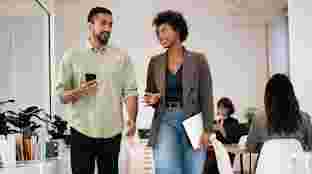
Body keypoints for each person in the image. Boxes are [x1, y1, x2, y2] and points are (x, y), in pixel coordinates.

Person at [55, 7, 138, 174]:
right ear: (90, 25)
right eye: (103, 23)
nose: (108, 28)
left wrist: (132, 119)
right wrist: (79, 91)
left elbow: (130, 91)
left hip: (112, 132)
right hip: (81, 130)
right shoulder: (72, 56)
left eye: (110, 24)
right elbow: (61, 96)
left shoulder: (121, 57)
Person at [144, 10, 214, 174]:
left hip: (194, 121)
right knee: (166, 168)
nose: (160, 36)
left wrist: (207, 129)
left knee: (193, 169)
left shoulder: (198, 60)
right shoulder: (155, 62)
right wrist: (152, 99)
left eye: (164, 30)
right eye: (158, 32)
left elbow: (206, 96)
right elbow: (150, 92)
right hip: (165, 119)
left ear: (177, 30)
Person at [247, 73, 312, 153]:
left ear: (268, 96)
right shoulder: (304, 118)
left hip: (268, 165)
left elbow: (250, 148)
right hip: (297, 165)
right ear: (291, 95)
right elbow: (310, 147)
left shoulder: (259, 119)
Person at [204, 97, 240, 174]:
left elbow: (234, 141)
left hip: (227, 152)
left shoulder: (234, 122)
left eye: (224, 107)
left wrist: (222, 130)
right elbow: (211, 139)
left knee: (211, 164)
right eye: (219, 107)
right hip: (215, 151)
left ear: (229, 109)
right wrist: (209, 132)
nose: (221, 109)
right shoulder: (216, 122)